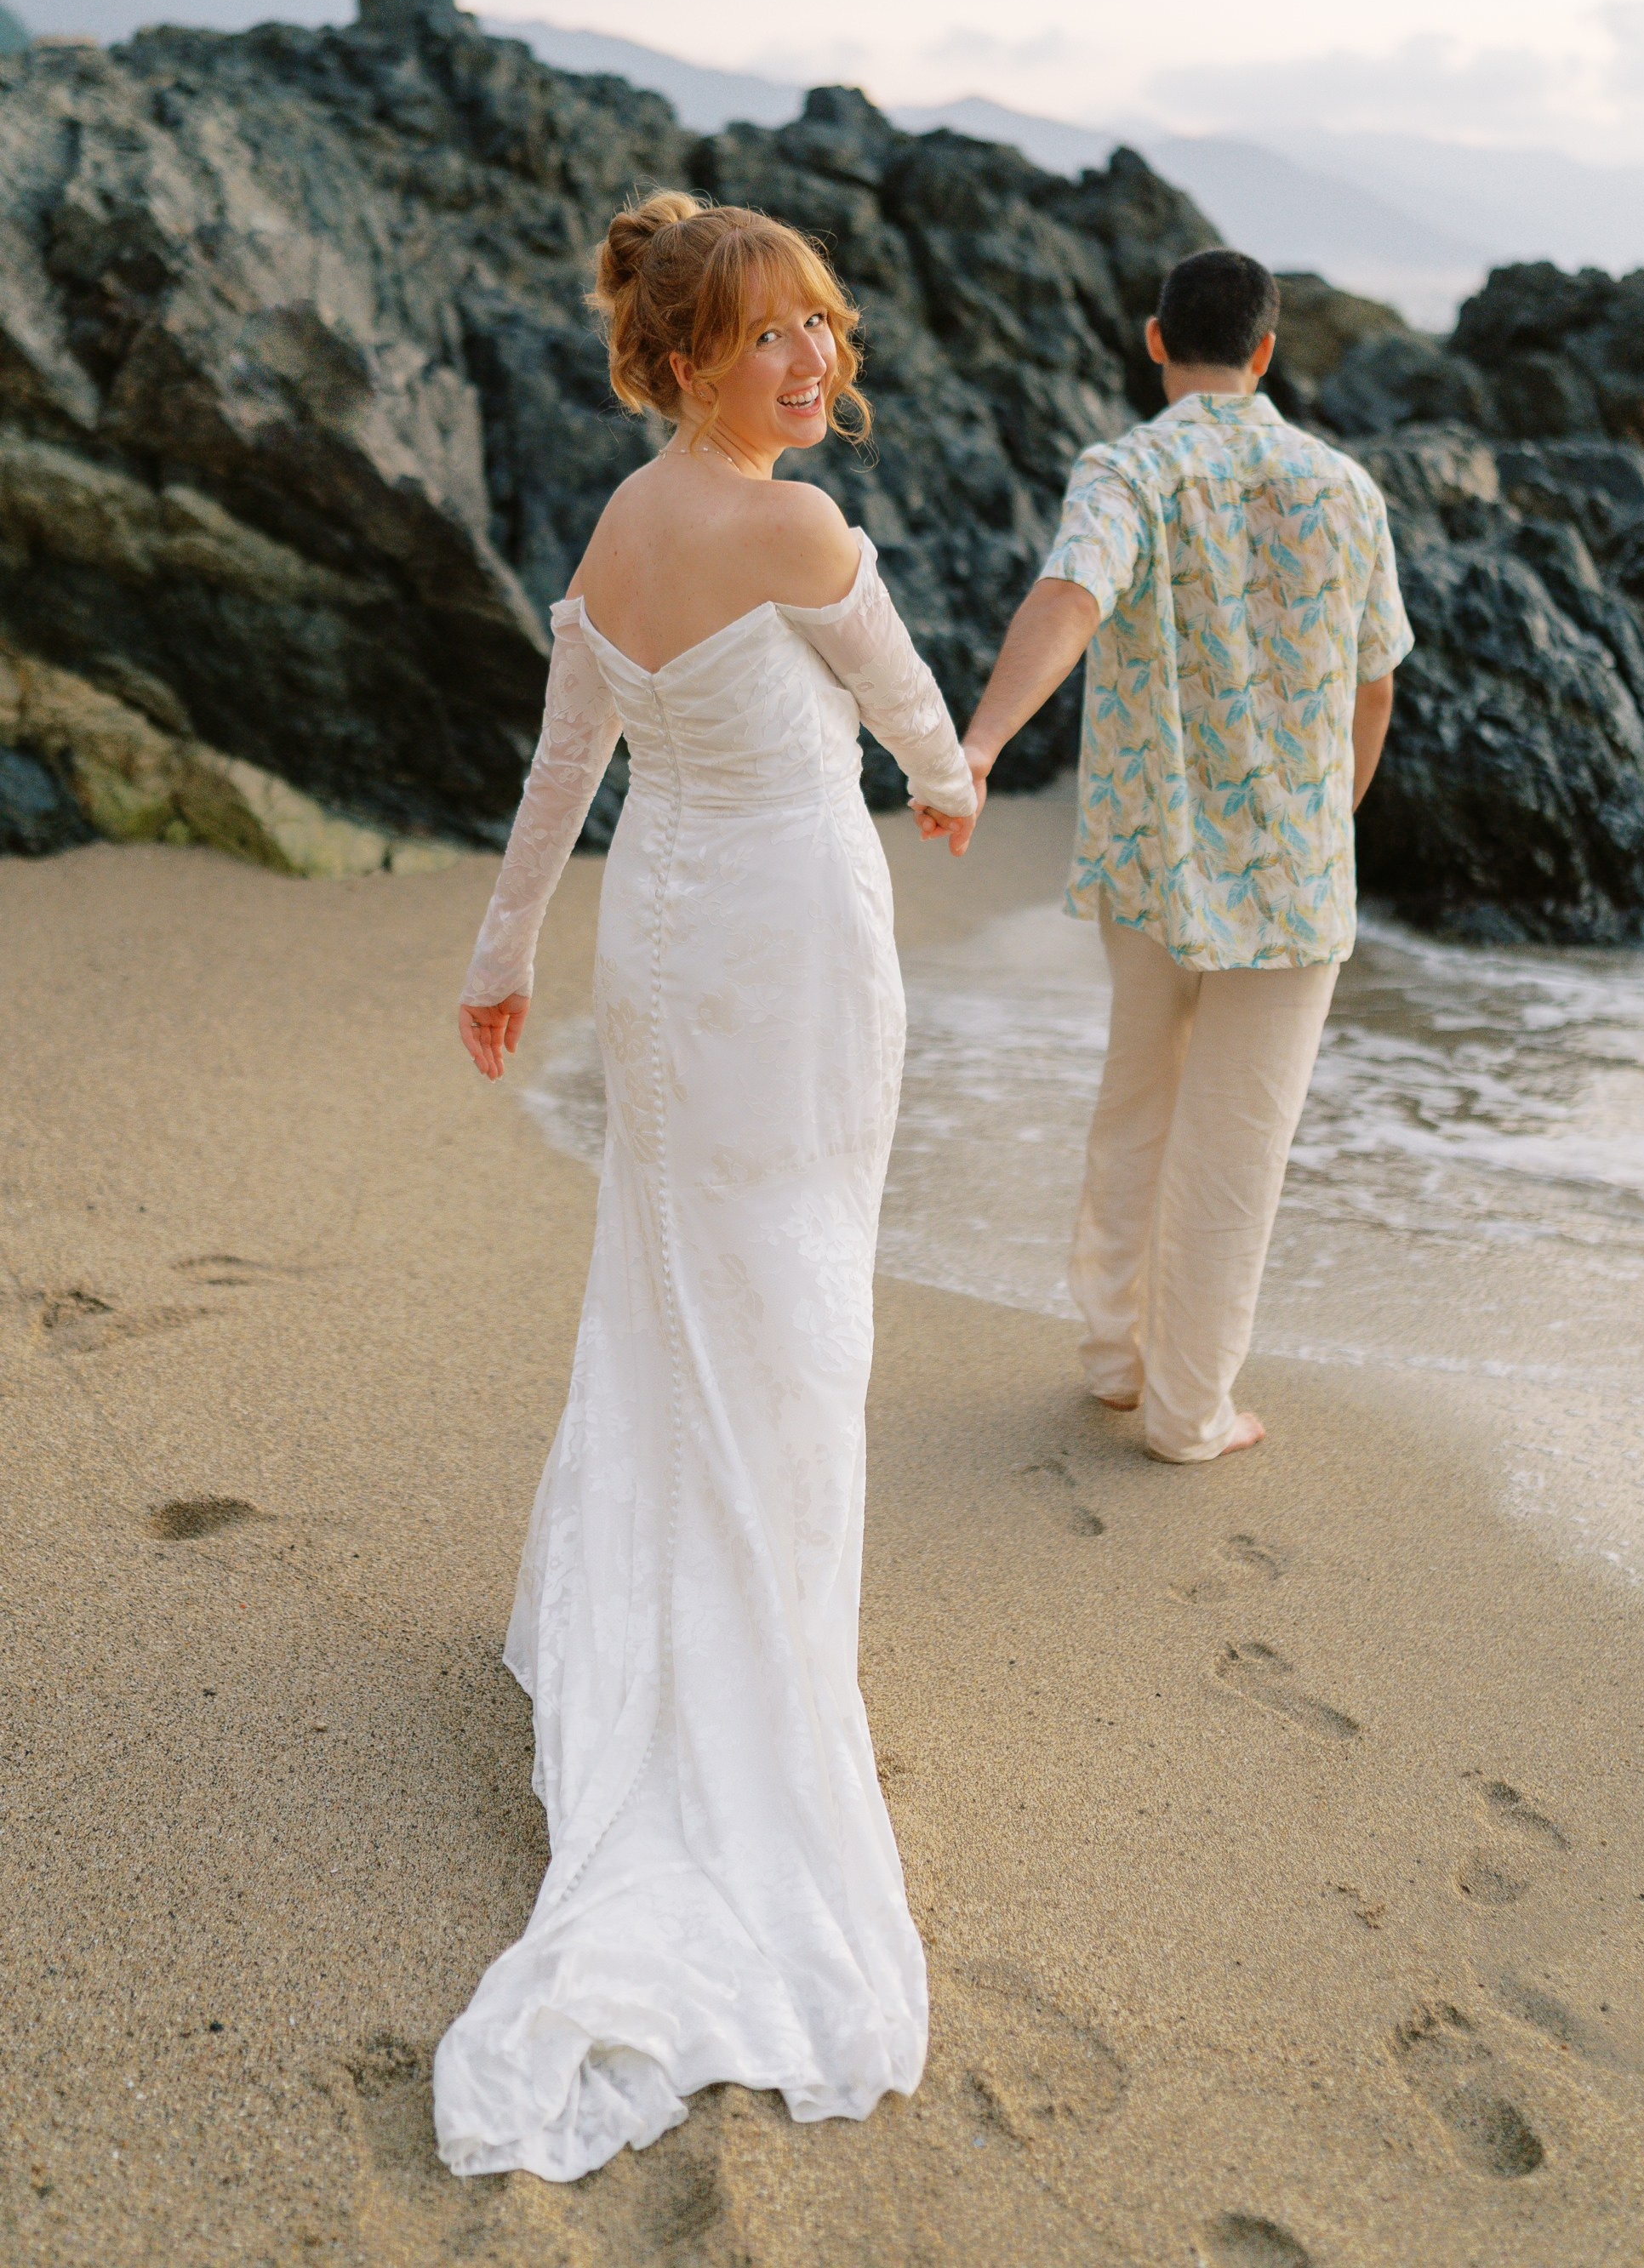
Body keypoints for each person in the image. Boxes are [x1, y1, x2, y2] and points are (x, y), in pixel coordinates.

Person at [434, 194, 976, 2180]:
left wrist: (503, 960)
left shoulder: (614, 531)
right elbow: (910, 707)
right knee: (794, 1279)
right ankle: (762, 1654)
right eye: (772, 339)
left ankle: (665, 1605)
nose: (814, 362)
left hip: (664, 949)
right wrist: (944, 778)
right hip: (790, 938)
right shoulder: (804, 533)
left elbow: (562, 772)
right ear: (683, 357)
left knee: (680, 1276)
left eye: (825, 326)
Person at [937, 248, 1412, 1464]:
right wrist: (1330, 820)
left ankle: (1115, 1358)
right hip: (1294, 871)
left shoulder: (1128, 469)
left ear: (1156, 342)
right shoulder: (1345, 487)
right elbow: (1375, 688)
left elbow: (1070, 592)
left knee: (1139, 1095)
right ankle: (1188, 1412)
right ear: (1265, 351)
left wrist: (981, 743)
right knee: (1237, 1145)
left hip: (1154, 854)